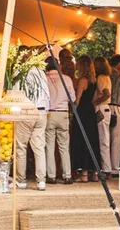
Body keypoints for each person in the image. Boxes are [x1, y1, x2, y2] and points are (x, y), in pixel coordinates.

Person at [14, 50, 48, 190]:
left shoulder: (19, 73)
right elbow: (47, 93)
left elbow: (16, 94)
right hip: (41, 111)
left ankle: (21, 180)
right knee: (39, 147)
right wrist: (45, 110)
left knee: (21, 146)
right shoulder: (41, 72)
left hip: (26, 111)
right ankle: (41, 181)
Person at [44, 57, 75, 184]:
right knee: (64, 146)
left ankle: (51, 175)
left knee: (49, 146)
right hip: (63, 113)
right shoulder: (66, 79)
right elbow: (72, 98)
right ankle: (67, 175)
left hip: (49, 113)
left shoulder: (44, 78)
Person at [70, 56, 100, 182]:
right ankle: (94, 172)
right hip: (90, 111)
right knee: (91, 139)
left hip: (82, 111)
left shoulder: (82, 80)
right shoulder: (94, 81)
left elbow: (77, 99)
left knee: (82, 139)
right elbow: (95, 97)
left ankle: (84, 172)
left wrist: (72, 111)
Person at [93, 57, 114, 177]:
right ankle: (106, 167)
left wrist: (95, 103)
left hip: (101, 108)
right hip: (105, 108)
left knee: (103, 138)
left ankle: (106, 168)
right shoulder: (107, 77)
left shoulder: (101, 78)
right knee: (104, 138)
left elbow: (106, 94)